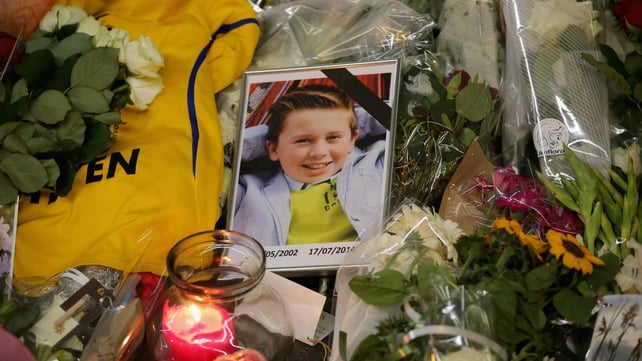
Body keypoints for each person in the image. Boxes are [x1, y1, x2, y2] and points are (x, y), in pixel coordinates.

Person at [233, 84, 388, 246]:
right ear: (272, 148)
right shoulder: (247, 193)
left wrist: (351, 120)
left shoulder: (376, 164)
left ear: (352, 139)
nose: (319, 152)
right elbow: (214, 153)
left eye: (333, 137)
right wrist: (264, 137)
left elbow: (404, 114)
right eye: (303, 140)